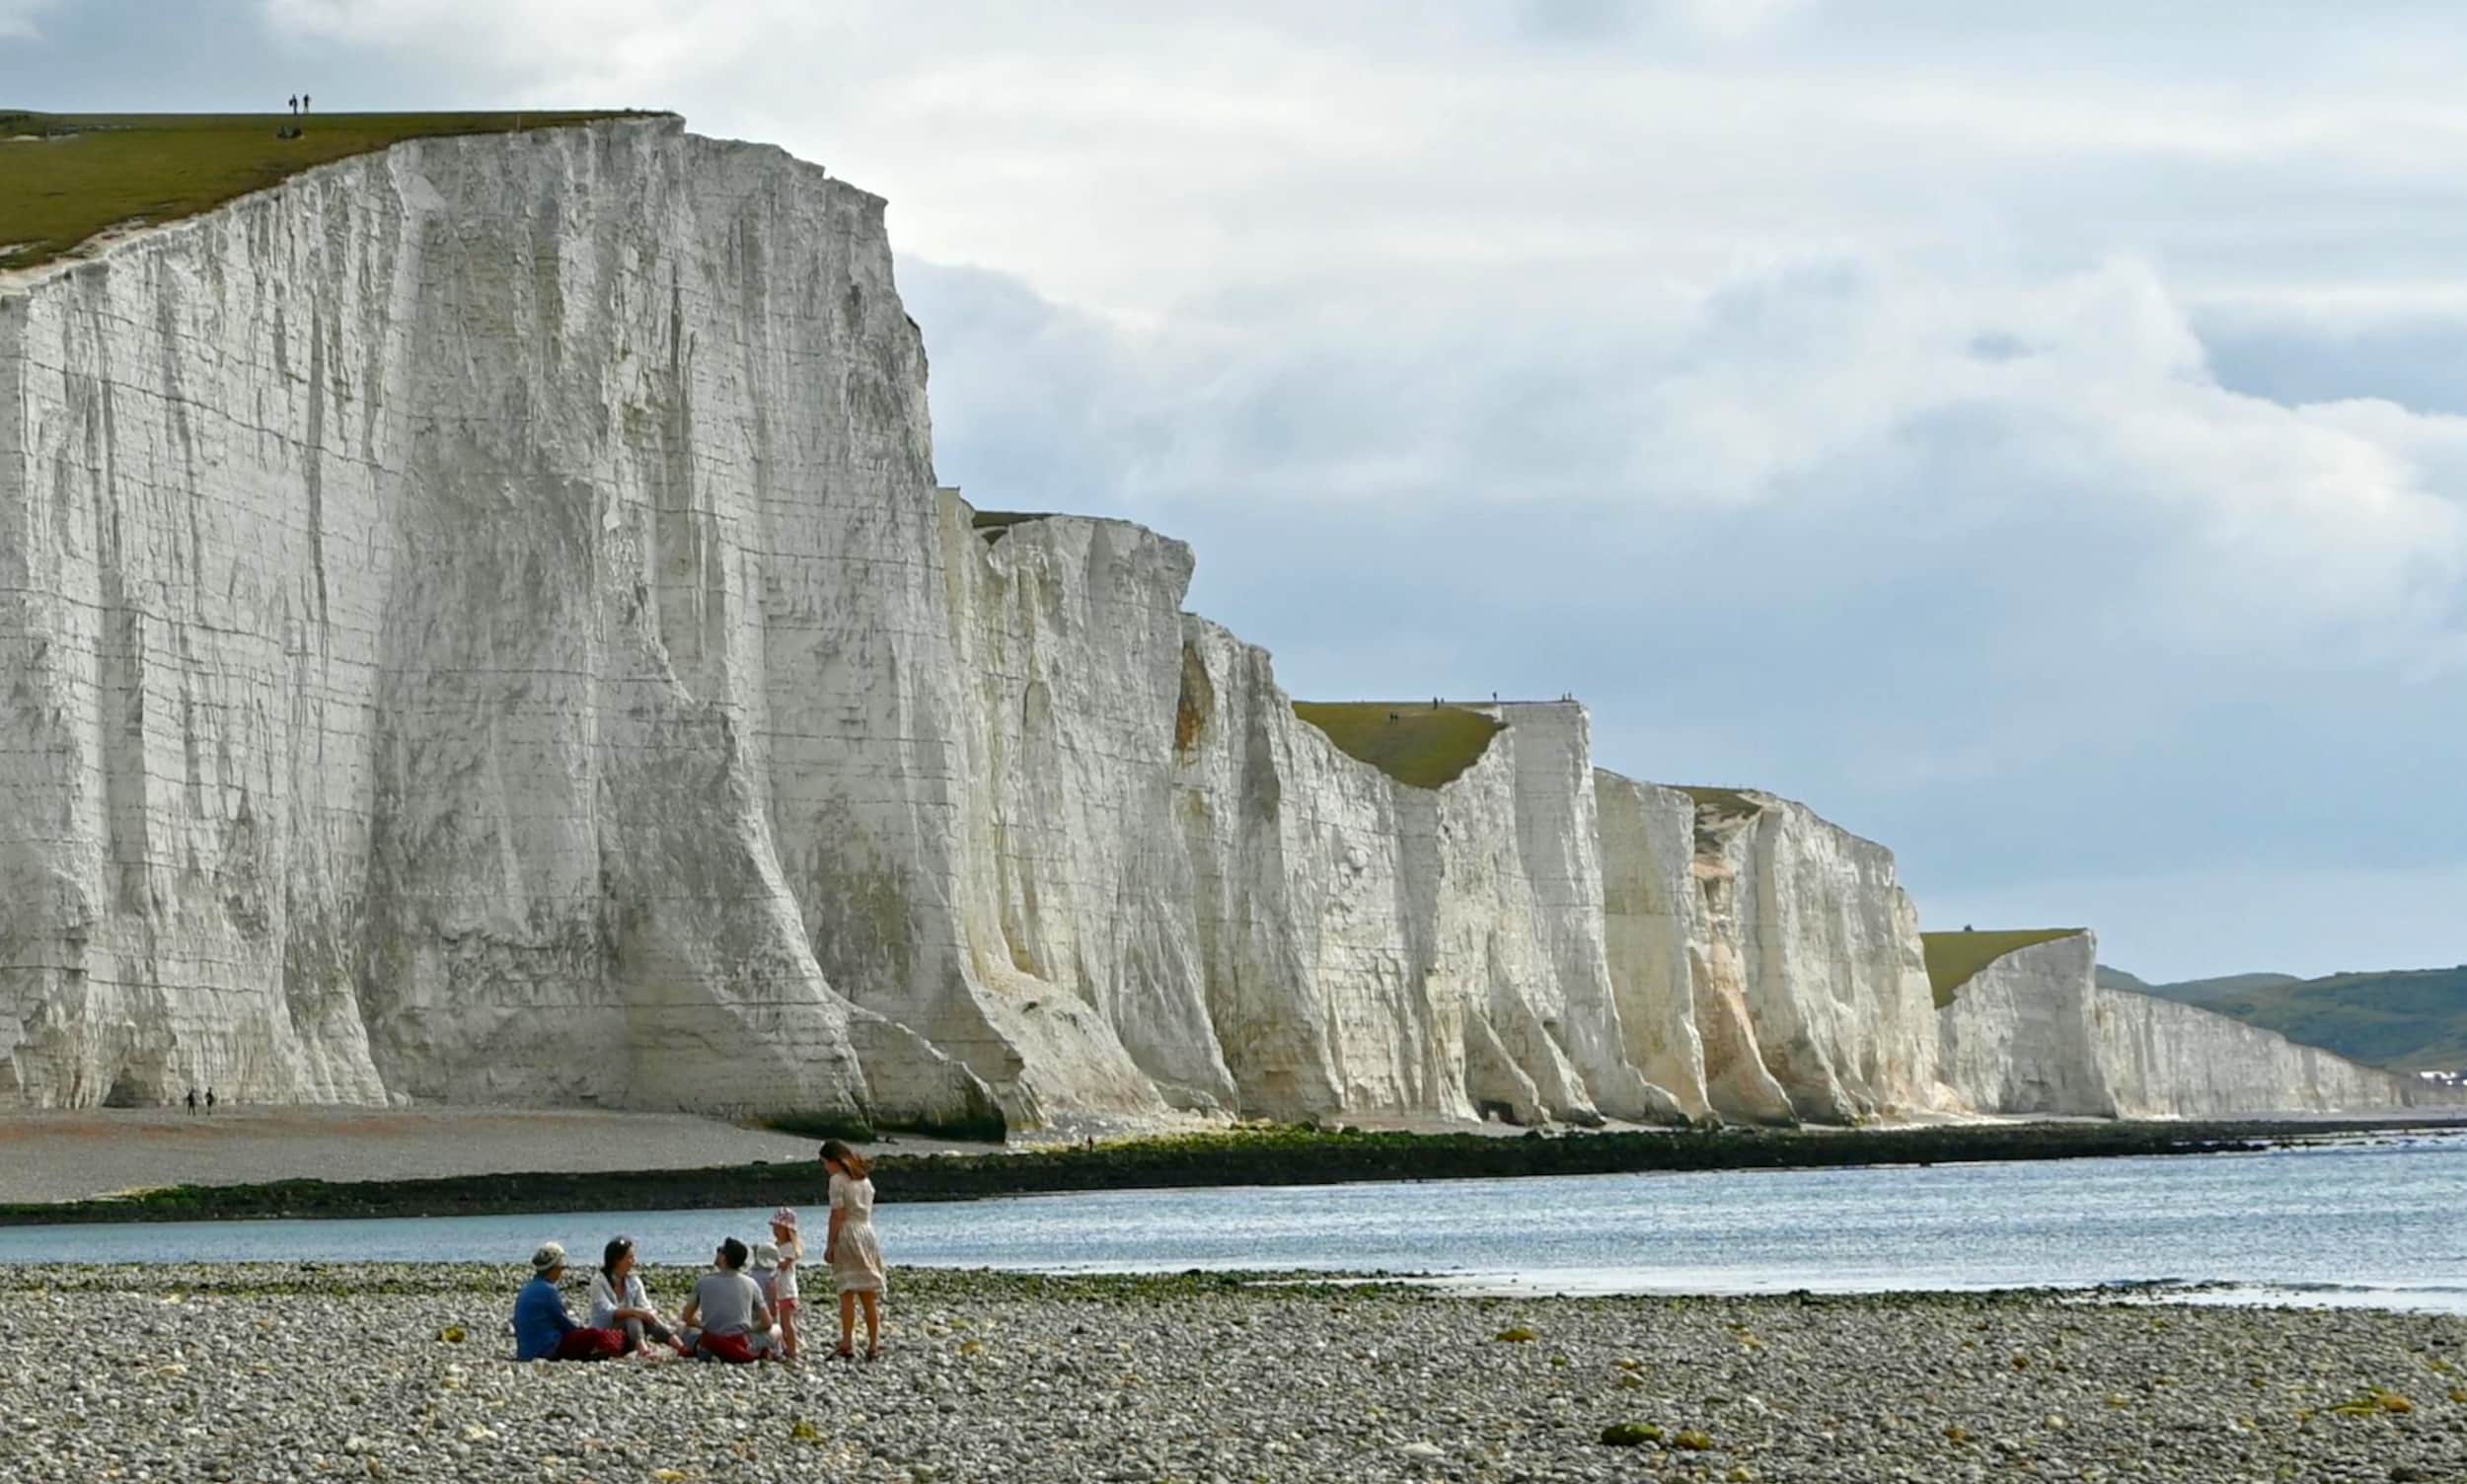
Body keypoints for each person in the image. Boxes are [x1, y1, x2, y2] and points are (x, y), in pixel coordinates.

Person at [819, 1139, 886, 1361]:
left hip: (848, 1233)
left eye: (825, 1163)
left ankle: (847, 1341)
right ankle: (874, 1343)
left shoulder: (837, 1180)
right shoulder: (864, 1180)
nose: (825, 1168)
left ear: (833, 1161)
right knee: (868, 1294)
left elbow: (837, 1215)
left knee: (847, 1292)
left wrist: (830, 1244)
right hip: (867, 1231)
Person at [513, 1242, 625, 1362]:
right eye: (560, 1269)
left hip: (525, 1352)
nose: (561, 1273)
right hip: (546, 1349)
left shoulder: (527, 1288)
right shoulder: (548, 1290)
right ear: (553, 1269)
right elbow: (563, 1323)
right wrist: (582, 1332)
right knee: (594, 1334)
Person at [678, 1237, 773, 1363]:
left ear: (724, 1258)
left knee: (682, 1328)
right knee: (776, 1330)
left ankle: (704, 1351)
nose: (717, 1252)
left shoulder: (703, 1282)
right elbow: (767, 1322)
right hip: (740, 1340)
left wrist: (703, 1326)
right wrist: (749, 1328)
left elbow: (686, 1317)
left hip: (710, 1341)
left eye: (719, 1250)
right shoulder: (751, 1283)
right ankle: (765, 1352)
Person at [589, 1236, 688, 1357]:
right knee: (633, 1317)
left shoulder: (633, 1280)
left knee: (647, 1317)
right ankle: (643, 1350)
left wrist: (648, 1313)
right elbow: (605, 1311)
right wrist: (634, 1311)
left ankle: (681, 1347)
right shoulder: (599, 1281)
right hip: (608, 1333)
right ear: (617, 1260)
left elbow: (645, 1306)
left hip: (631, 1332)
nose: (634, 1261)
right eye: (630, 1257)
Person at [767, 1208, 804, 1361]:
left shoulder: (789, 1247)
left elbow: (784, 1265)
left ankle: (793, 1349)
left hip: (787, 1290)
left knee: (788, 1322)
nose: (775, 1231)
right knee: (781, 1322)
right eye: (774, 1228)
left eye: (779, 1228)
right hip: (778, 1289)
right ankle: (784, 1347)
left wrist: (771, 1258)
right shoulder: (775, 1245)